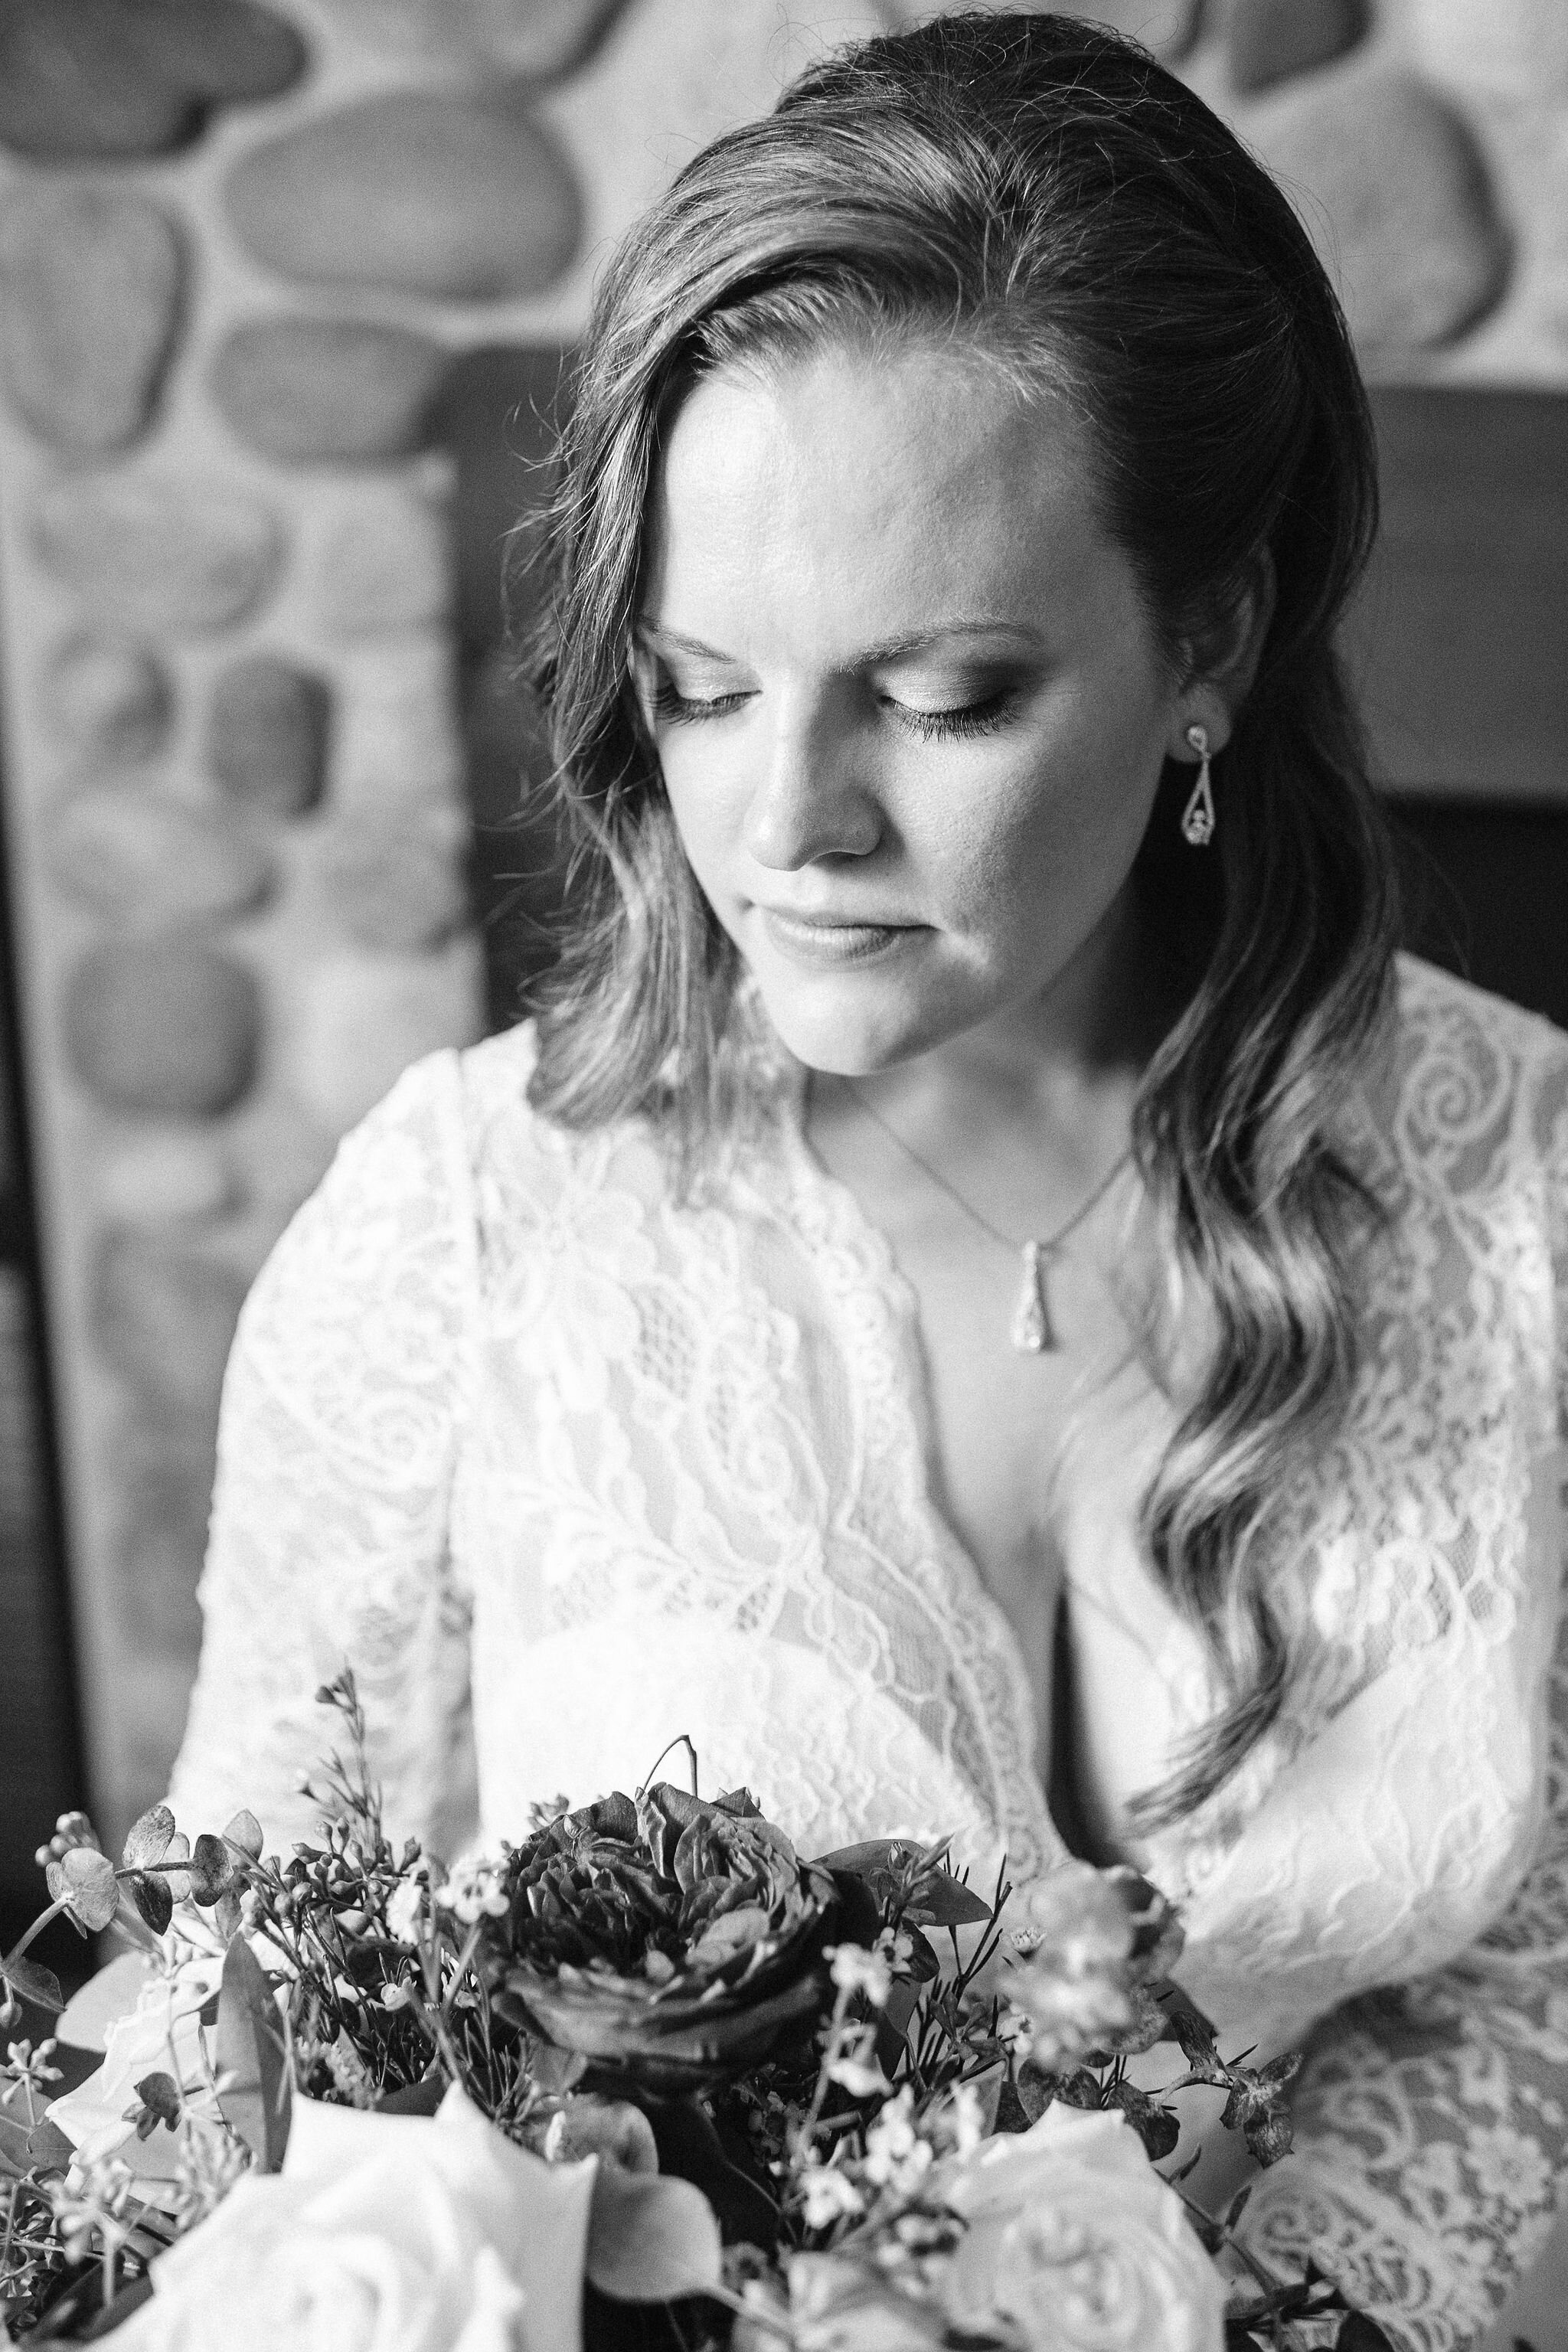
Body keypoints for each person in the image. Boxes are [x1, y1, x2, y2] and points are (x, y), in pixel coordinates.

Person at [168, 15, 1568, 2347]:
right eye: (707, 683)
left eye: (934, 696)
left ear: (1207, 638)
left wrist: (1308, 2309)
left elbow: (1530, 1969)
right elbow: (244, 2034)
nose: (785, 828)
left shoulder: (1525, 1192)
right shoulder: (467, 1228)